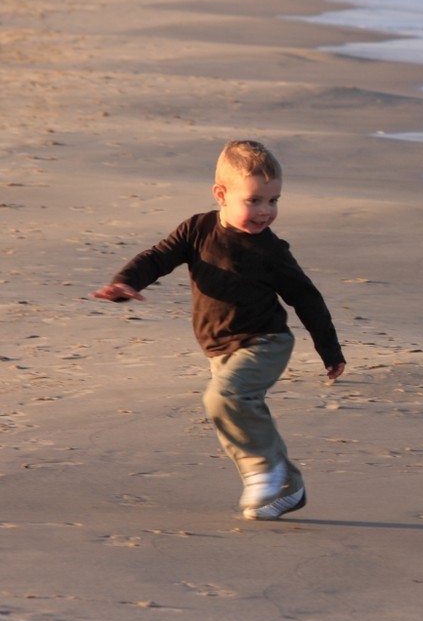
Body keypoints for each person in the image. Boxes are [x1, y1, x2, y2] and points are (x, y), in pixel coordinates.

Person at [92, 140, 346, 520]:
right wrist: (127, 282)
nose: (265, 212)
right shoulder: (198, 228)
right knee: (232, 415)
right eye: (255, 201)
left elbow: (307, 299)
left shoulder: (271, 251)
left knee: (222, 399)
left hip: (266, 342)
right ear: (221, 195)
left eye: (273, 201)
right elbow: (158, 257)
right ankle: (286, 485)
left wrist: (330, 351)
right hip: (220, 349)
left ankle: (266, 474)